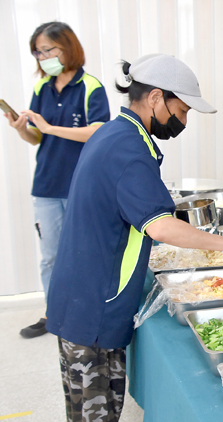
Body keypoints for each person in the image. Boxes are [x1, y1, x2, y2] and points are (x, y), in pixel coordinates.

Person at [45, 54, 223, 422]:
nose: (182, 121)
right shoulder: (128, 150)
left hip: (93, 285)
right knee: (89, 398)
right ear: (156, 99)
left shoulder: (119, 134)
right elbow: (160, 227)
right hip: (90, 297)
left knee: (107, 387)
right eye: (181, 111)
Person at [3, 22, 110, 339]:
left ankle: (85, 313)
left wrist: (50, 128)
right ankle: (54, 314)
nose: (43, 56)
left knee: (85, 252)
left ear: (68, 47)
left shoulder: (91, 86)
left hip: (82, 184)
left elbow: (98, 131)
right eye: (38, 51)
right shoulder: (42, 88)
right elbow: (36, 137)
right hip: (47, 185)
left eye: (48, 49)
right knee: (51, 256)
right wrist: (21, 127)